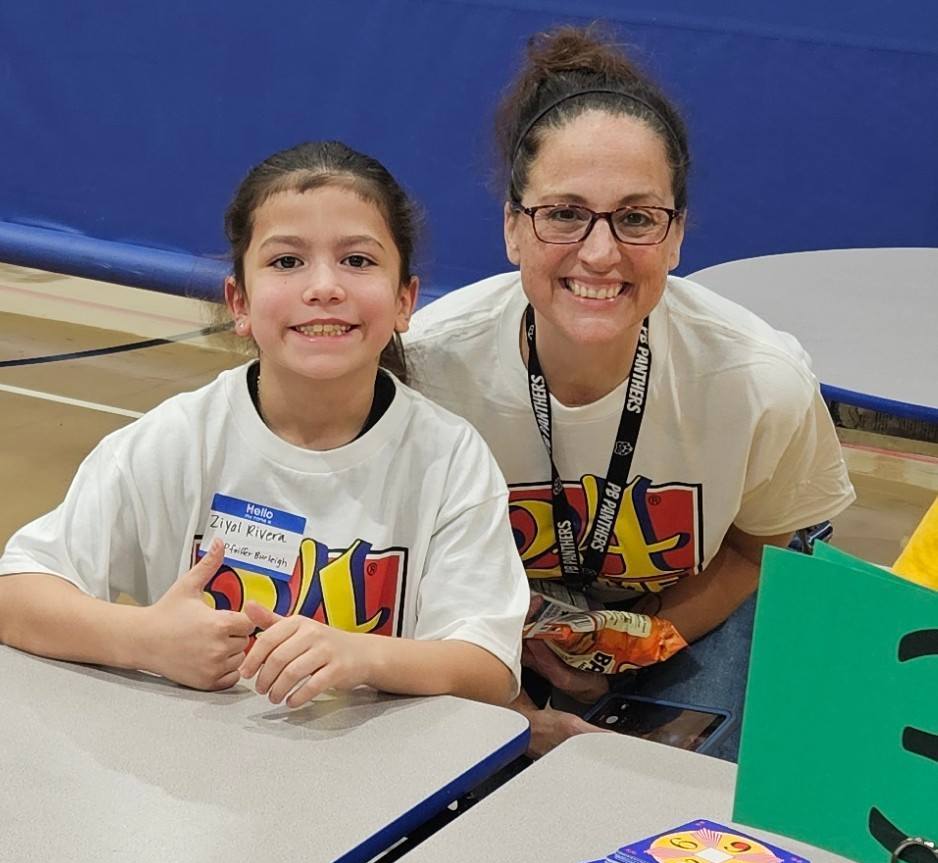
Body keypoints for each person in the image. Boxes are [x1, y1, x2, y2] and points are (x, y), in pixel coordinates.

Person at [404, 26, 855, 759]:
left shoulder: (758, 380)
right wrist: (519, 715)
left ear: (676, 237)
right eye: (564, 213)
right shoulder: (430, 369)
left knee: (677, 787)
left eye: (637, 218)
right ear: (513, 227)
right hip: (491, 625)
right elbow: (411, 571)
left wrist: (643, 641)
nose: (600, 252)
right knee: (463, 770)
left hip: (691, 610)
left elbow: (757, 550)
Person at [0, 141, 527, 708]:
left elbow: (490, 669)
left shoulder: (449, 459)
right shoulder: (181, 439)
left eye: (357, 260)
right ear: (240, 303)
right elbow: (15, 593)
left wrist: (363, 656)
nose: (324, 287)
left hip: (382, 755)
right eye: (286, 262)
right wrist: (145, 639)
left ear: (405, 301)